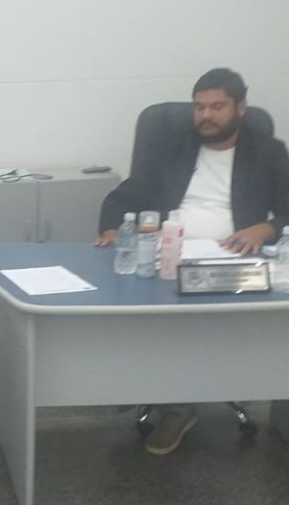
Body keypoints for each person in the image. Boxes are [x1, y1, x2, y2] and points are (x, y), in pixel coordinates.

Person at [96, 67, 289, 454]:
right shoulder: (173, 146)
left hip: (232, 260)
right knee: (155, 312)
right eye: (200, 107)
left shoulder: (268, 151)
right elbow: (125, 195)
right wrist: (113, 229)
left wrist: (265, 228)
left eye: (217, 106)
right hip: (168, 254)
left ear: (240, 108)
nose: (206, 115)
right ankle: (169, 399)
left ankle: (178, 402)